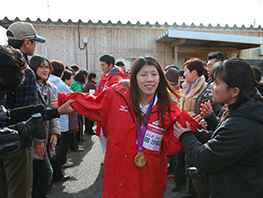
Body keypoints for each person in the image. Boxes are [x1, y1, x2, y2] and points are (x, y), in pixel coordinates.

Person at [56, 56, 197, 198]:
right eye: (144, 74)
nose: (149, 79)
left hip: (148, 177)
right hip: (118, 171)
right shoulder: (117, 95)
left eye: (154, 74)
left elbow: (169, 147)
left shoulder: (169, 108)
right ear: (134, 78)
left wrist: (187, 126)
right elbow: (95, 103)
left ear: (160, 78)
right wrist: (69, 101)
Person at [173, 58, 263, 197]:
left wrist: (186, 136)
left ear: (234, 91)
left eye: (216, 83)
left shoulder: (242, 124)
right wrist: (195, 132)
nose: (211, 87)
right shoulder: (242, 112)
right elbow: (219, 139)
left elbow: (204, 159)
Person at [0, 21, 46, 198]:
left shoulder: (3, 61)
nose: (35, 45)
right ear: (27, 42)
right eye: (34, 41)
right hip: (18, 141)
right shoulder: (23, 69)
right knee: (21, 191)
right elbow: (28, 109)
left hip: (2, 134)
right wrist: (37, 138)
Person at [173, 58, 207, 198]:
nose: (183, 74)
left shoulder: (204, 87)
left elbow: (201, 109)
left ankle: (191, 191)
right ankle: (179, 182)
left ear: (194, 72)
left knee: (190, 159)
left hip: (193, 128)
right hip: (181, 125)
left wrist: (187, 117)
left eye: (186, 71)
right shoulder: (186, 85)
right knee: (178, 157)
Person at [29, 55, 61, 198]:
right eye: (42, 66)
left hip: (47, 135)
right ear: (34, 67)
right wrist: (38, 140)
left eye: (48, 67)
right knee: (46, 173)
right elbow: (31, 116)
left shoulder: (50, 87)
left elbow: (54, 113)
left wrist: (55, 132)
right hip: (36, 137)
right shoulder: (29, 87)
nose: (46, 69)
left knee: (40, 175)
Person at [93, 54, 124, 163]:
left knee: (109, 134)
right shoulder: (104, 75)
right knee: (102, 134)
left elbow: (113, 97)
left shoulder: (117, 78)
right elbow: (99, 91)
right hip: (102, 110)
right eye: (100, 65)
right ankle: (106, 155)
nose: (101, 67)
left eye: (103, 65)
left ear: (111, 65)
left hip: (111, 112)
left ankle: (110, 156)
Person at [48, 60, 74, 180]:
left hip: (47, 119)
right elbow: (74, 100)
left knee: (52, 147)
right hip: (60, 120)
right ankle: (58, 174)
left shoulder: (46, 82)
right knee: (59, 147)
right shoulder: (62, 85)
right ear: (62, 73)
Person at [194, 51, 228, 116]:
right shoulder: (210, 83)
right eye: (207, 66)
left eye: (210, 66)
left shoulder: (225, 86)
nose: (208, 69)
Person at [71, 69, 88, 143]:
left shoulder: (75, 82)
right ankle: (78, 139)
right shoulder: (77, 85)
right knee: (79, 125)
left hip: (74, 107)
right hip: (77, 108)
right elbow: (79, 96)